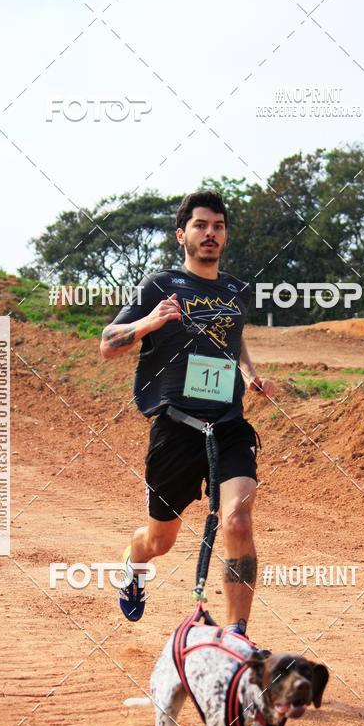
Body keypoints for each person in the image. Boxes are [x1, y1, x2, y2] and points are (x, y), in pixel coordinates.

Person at [99, 190, 275, 634]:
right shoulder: (159, 285)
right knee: (159, 540)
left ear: (225, 235)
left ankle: (238, 634)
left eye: (218, 225)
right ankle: (133, 566)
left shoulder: (235, 289)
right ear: (182, 235)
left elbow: (235, 338)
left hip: (229, 426)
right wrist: (148, 323)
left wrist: (251, 374)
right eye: (201, 225)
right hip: (176, 429)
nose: (210, 233)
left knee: (237, 520)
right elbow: (107, 344)